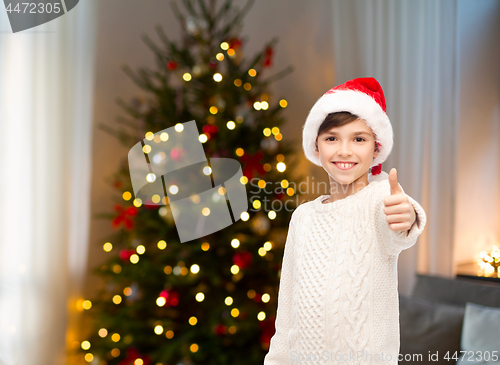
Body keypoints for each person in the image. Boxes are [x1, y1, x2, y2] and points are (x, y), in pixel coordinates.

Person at [263, 77, 427, 365]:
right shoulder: (302, 217)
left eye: (359, 139)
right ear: (316, 146)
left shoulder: (379, 201)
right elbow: (287, 310)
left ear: (376, 148)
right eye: (332, 138)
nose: (344, 151)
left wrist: (407, 215)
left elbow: (400, 227)